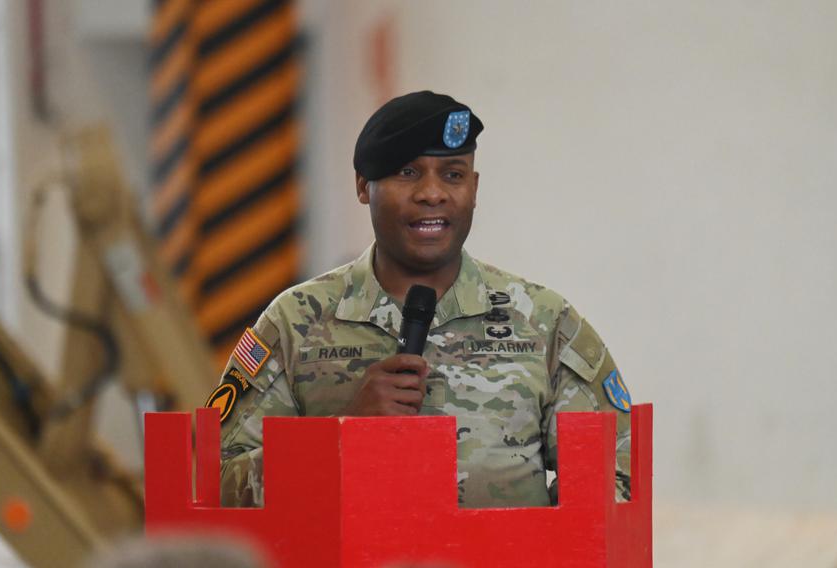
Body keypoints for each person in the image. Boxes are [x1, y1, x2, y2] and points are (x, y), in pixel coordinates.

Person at [205, 90, 632, 509]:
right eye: (408, 173)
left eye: (453, 174)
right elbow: (216, 484)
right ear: (363, 187)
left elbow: (615, 476)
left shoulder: (542, 320)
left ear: (474, 187)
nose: (432, 193)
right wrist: (343, 435)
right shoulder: (295, 322)